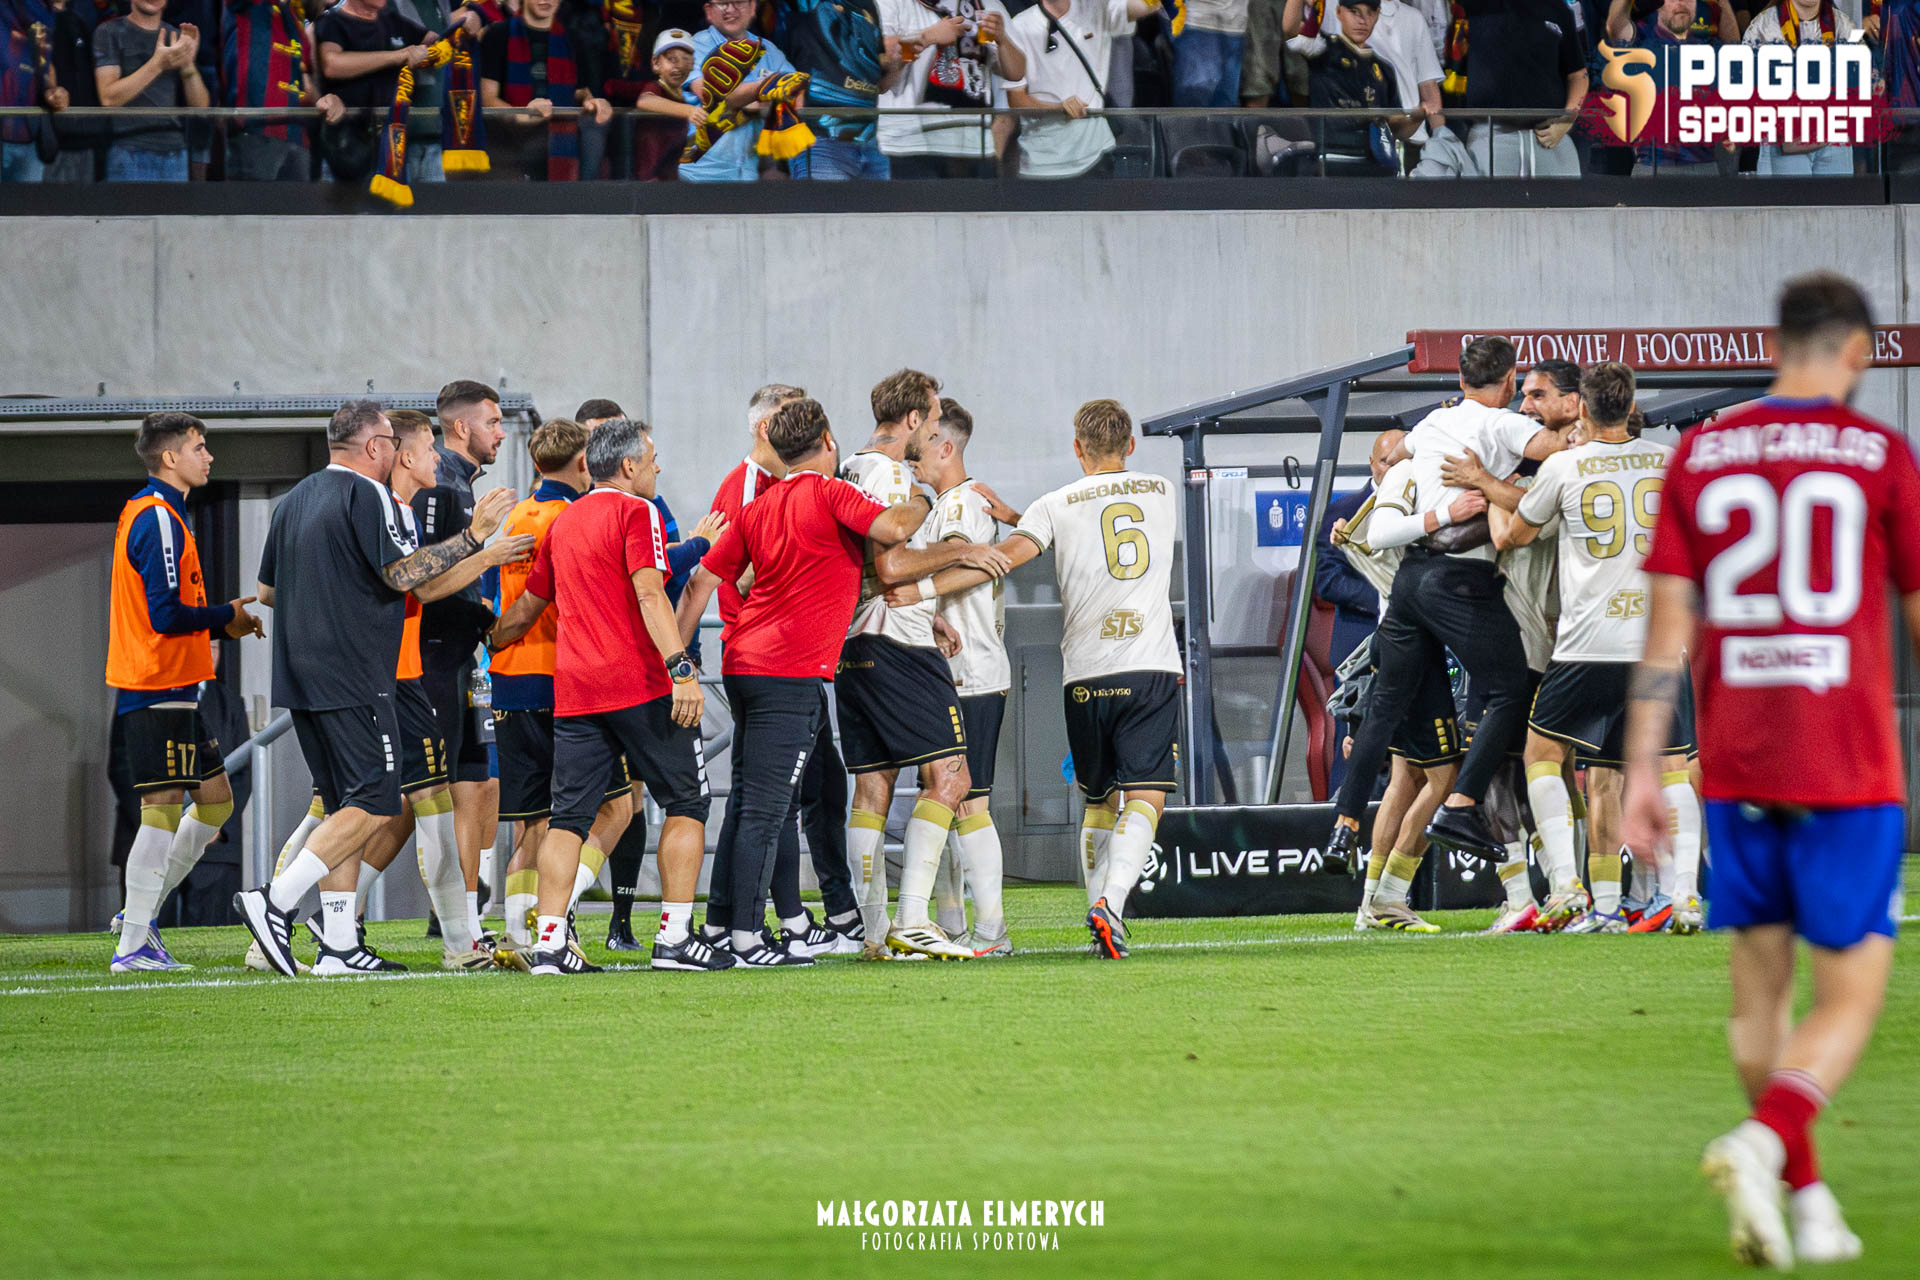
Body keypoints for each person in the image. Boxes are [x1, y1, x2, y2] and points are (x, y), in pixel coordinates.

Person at [1622, 274, 1912, 1269]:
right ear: (1858, 352)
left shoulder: (1700, 453)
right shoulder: (1880, 453)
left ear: (1775, 343)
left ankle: (1813, 1202)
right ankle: (1762, 1141)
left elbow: (1665, 632)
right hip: (1847, 763)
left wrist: (1642, 769)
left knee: (1758, 1003)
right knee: (1850, 997)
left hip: (1738, 763)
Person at [234, 399, 519, 978]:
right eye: (402, 444)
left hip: (300, 675)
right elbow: (408, 579)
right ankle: (276, 902)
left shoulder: (294, 499)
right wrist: (475, 540)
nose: (424, 456)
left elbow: (267, 592)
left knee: (343, 804)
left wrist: (326, 600)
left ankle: (339, 942)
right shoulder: (373, 497)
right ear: (376, 448)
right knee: (377, 803)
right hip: (365, 676)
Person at [907, 400, 1180, 960]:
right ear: (1130, 445)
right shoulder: (1162, 490)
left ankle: (1087, 910)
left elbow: (1005, 559)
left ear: (1077, 448)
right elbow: (1107, 517)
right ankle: (1109, 904)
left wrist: (920, 589)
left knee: (1098, 802)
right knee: (1145, 797)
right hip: (1150, 665)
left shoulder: (1053, 505)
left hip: (1085, 675)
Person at [673, 398, 939, 966]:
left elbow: (701, 584)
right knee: (768, 810)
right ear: (828, 440)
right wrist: (923, 495)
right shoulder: (829, 493)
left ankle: (721, 923)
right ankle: (747, 938)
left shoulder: (759, 508)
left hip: (744, 664)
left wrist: (675, 661)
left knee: (747, 802)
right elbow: (894, 527)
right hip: (786, 674)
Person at [489, 420, 725, 974]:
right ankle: (674, 939)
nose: (657, 467)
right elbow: (649, 591)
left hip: (575, 692)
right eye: (651, 457)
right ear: (628, 466)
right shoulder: (637, 511)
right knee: (687, 802)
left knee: (567, 819)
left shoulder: (565, 522)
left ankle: (550, 944)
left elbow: (528, 607)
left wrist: (492, 638)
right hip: (639, 685)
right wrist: (682, 670)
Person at [1325, 337, 1566, 869]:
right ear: (1509, 382)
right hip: (1460, 580)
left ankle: (1344, 823)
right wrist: (1569, 430)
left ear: (1459, 381)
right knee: (1508, 689)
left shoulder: (1434, 423)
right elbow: (1556, 449)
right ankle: (1460, 807)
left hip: (1409, 580)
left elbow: (1402, 454)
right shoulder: (1503, 424)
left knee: (1386, 706)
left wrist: (1427, 457)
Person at [315, 409, 528, 972]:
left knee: (423, 801)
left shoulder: (391, 506)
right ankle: (286, 909)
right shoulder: (380, 506)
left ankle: (453, 936)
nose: (438, 458)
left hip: (412, 673)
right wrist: (482, 547)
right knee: (359, 808)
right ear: (401, 454)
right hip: (393, 676)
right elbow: (419, 585)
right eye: (430, 449)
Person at [1495, 361, 1700, 934]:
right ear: (1630, 406)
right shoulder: (1667, 461)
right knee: (1673, 767)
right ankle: (1683, 895)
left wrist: (1489, 485)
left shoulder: (1564, 465)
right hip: (1657, 639)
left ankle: (1565, 886)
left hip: (1589, 640)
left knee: (1541, 754)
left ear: (1582, 408)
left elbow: (1518, 535)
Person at [834, 370, 1011, 960]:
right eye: (931, 421)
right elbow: (890, 566)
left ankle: (874, 931)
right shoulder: (890, 475)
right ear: (912, 419)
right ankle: (914, 918)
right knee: (953, 779)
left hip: (856, 643)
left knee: (872, 787)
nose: (934, 432)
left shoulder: (849, 467)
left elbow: (867, 566)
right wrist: (961, 549)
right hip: (900, 648)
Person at [698, 384, 862, 959]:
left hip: (767, 658)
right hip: (777, 660)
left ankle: (741, 923)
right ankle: (769, 925)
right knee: (772, 803)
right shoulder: (752, 489)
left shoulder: (780, 489)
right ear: (765, 428)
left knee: (794, 793)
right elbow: (733, 575)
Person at [105, 413, 262, 972]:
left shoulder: (164, 513)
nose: (209, 456)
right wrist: (226, 617)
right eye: (199, 446)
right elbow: (166, 614)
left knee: (216, 802)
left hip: (177, 685)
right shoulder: (157, 516)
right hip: (157, 682)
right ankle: (134, 942)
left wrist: (222, 624)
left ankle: (138, 914)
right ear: (170, 458)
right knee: (161, 809)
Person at [885, 398, 1014, 955]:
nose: (913, 459)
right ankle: (953, 923)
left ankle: (991, 931)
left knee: (968, 800)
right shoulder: (946, 503)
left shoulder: (962, 502)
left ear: (946, 447)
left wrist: (917, 588)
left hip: (972, 673)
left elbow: (964, 556)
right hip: (948, 671)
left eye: (922, 448)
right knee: (944, 796)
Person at [415, 379, 505, 944]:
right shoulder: (439, 487)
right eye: (493, 423)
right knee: (400, 802)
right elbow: (423, 579)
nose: (501, 433)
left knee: (478, 784)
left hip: (464, 657)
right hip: (430, 659)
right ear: (461, 427)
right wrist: (486, 554)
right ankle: (330, 913)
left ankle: (463, 916)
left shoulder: (463, 485)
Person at [1002, 0, 1164, 178]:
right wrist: (1058, 108)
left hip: (1097, 154)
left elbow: (1148, 5)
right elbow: (1016, 99)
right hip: (1042, 161)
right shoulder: (1019, 26)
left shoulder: (1096, 9)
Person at [875, 0, 1022, 178]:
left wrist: (1003, 40)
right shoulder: (892, 3)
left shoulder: (986, 4)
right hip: (909, 143)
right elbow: (883, 61)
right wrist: (927, 37)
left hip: (975, 144)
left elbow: (1016, 73)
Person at [478, 0, 614, 182]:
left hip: (559, 141)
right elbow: (487, 98)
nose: (545, 1)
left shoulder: (573, 39)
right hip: (509, 145)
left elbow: (581, 91)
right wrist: (524, 115)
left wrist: (592, 102)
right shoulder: (498, 34)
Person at [778, 0, 901, 179]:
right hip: (820, 138)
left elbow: (880, 86)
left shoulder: (869, 5)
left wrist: (894, 64)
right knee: (823, 199)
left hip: (871, 144)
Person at [677, 0, 797, 182]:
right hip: (698, 176)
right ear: (709, 11)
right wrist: (765, 91)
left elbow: (795, 94)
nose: (731, 10)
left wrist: (749, 101)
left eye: (739, 2)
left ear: (752, 7)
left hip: (750, 176)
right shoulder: (694, 46)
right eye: (723, 3)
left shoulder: (770, 51)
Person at [93, 0, 208, 181]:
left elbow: (201, 108)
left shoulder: (176, 36)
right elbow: (109, 99)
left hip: (175, 153)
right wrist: (157, 64)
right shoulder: (109, 32)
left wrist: (188, 66)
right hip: (128, 151)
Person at [1741, 0, 1858, 177]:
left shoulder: (1842, 23)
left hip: (1834, 137)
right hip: (1786, 136)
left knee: (1837, 195)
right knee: (1793, 195)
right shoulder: (1763, 25)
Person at [600, 27, 706, 181]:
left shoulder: (682, 97)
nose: (678, 66)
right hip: (649, 180)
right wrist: (688, 111)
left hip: (668, 179)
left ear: (692, 64)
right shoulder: (656, 88)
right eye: (671, 59)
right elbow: (646, 101)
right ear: (656, 64)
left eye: (685, 60)